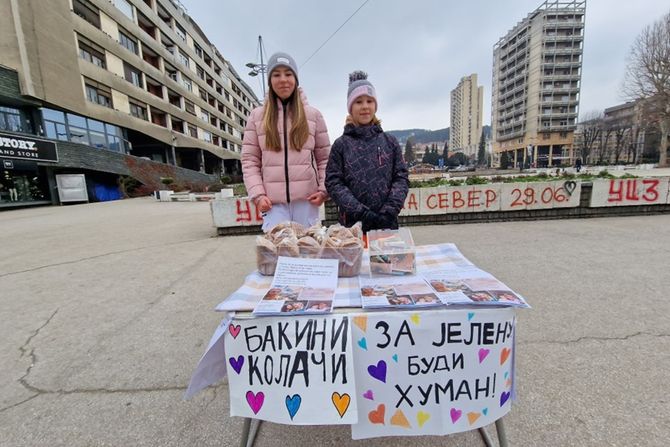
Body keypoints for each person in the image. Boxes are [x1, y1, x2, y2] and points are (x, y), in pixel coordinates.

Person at [241, 52, 330, 231]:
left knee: (308, 253)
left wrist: (323, 190)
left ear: (296, 79)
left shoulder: (313, 115)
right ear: (270, 80)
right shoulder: (257, 117)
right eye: (276, 74)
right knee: (278, 255)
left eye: (288, 74)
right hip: (273, 204)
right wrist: (258, 194)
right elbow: (250, 161)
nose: (283, 79)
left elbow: (325, 159)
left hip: (307, 201)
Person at [325, 71, 409, 233]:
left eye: (369, 101)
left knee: (385, 258)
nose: (365, 106)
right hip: (351, 225)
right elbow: (334, 183)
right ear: (350, 107)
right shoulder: (341, 145)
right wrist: (361, 212)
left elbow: (401, 178)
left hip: (387, 223)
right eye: (358, 102)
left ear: (375, 105)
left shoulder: (389, 142)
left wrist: (389, 210)